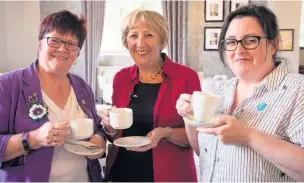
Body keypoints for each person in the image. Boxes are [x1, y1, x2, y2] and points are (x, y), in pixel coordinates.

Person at [176, 4, 304, 182]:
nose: (238, 49)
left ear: (273, 45)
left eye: (250, 40)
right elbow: (204, 153)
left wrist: (249, 137)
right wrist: (190, 117)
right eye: (231, 42)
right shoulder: (223, 91)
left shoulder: (298, 90)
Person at [0, 10, 106, 182]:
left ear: (77, 53)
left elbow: (98, 129)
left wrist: (99, 140)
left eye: (71, 43)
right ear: (40, 44)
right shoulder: (8, 85)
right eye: (54, 40)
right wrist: (34, 139)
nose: (62, 48)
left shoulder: (83, 87)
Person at [98, 9, 199, 182]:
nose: (140, 43)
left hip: (171, 175)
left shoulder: (186, 77)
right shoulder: (121, 78)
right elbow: (116, 134)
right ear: (126, 42)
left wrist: (165, 133)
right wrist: (109, 127)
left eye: (148, 35)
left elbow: (198, 137)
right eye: (133, 35)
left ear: (161, 40)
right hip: (123, 172)